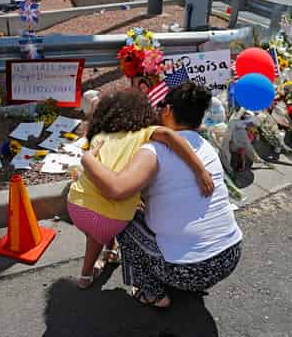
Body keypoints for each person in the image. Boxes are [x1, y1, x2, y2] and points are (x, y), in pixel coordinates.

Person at [80, 82, 243, 308]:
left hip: (189, 270)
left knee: (123, 219)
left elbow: (116, 190)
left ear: (166, 111)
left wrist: (87, 160)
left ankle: (153, 293)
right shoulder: (206, 146)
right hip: (230, 256)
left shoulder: (153, 151)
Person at [67, 89, 214, 289]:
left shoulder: (100, 136)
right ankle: (86, 276)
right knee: (112, 219)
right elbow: (170, 136)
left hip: (76, 204)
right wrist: (200, 170)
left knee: (94, 230)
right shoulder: (146, 134)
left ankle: (108, 252)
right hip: (110, 218)